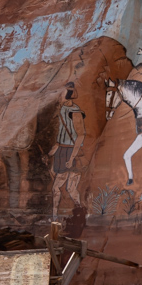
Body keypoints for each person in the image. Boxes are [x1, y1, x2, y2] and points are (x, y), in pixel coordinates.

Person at [48, 82, 85, 218]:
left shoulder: (75, 112)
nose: (58, 96)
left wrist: (71, 158)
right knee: (57, 187)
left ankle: (78, 210)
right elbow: (63, 131)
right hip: (62, 150)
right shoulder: (62, 109)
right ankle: (54, 216)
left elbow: (80, 136)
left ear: (68, 94)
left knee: (69, 188)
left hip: (71, 152)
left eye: (61, 93)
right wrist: (57, 145)